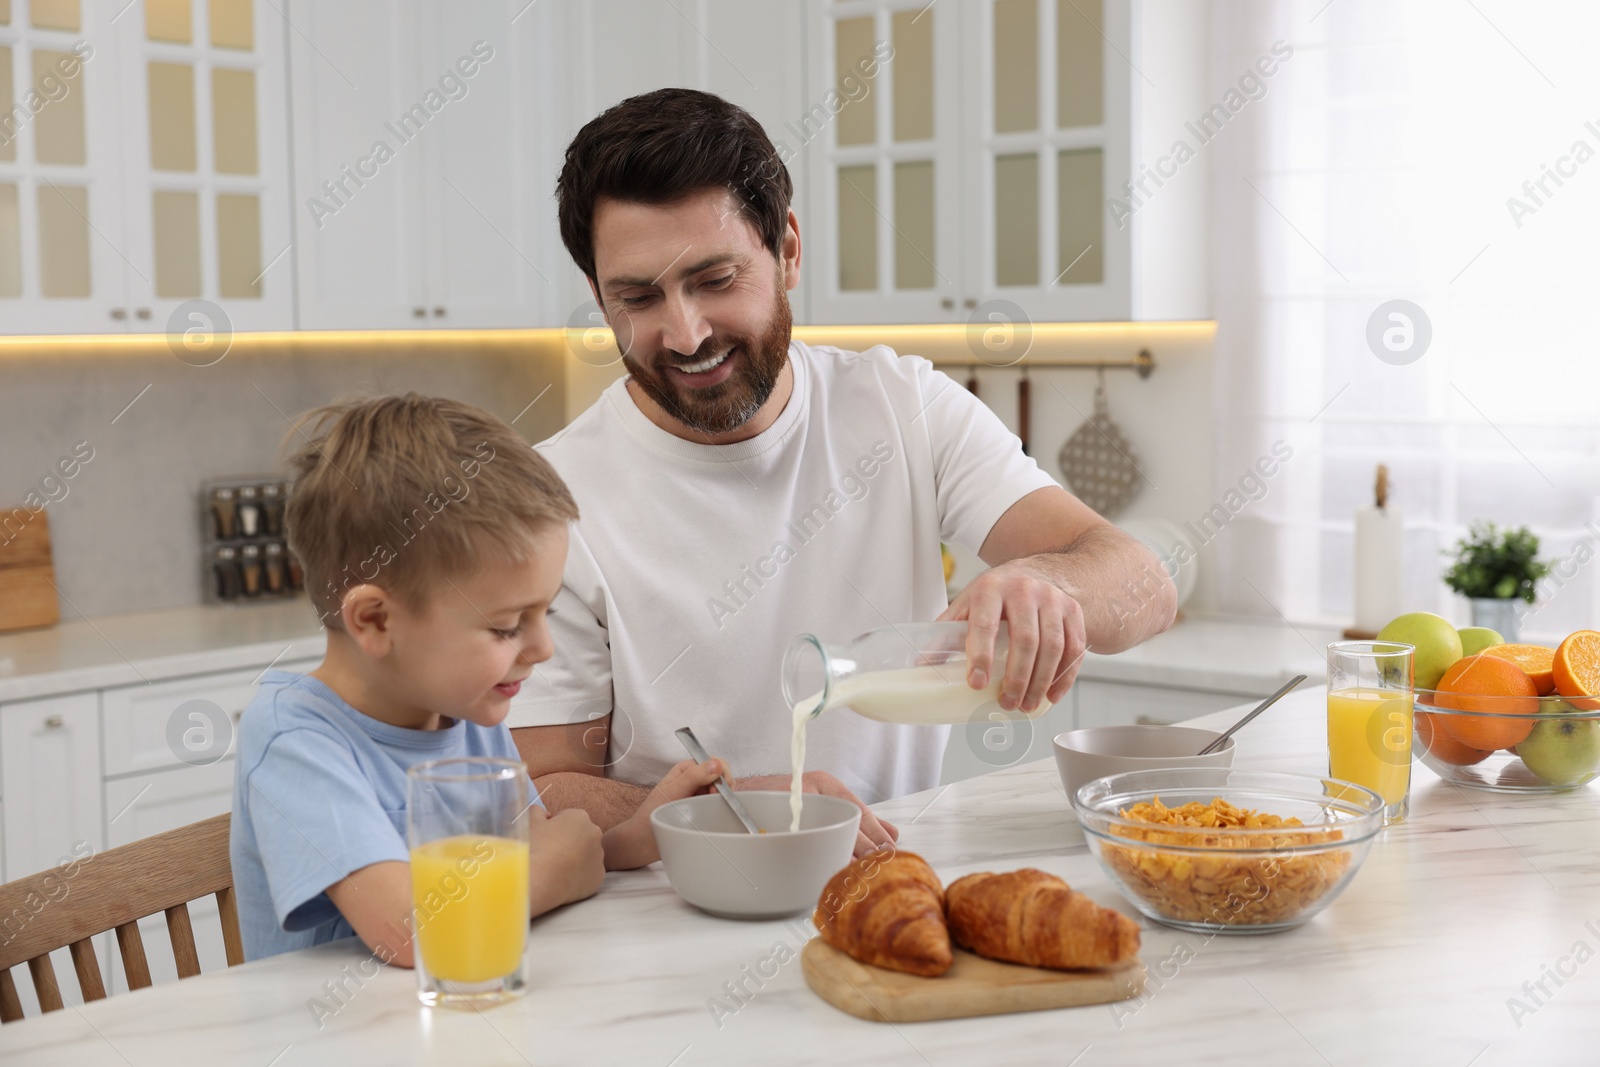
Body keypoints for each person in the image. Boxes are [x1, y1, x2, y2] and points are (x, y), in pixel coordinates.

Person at [510, 89, 1177, 856]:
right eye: (638, 296)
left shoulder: (902, 406)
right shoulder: (550, 502)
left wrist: (1050, 588)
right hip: (666, 920)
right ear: (598, 298)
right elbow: (547, 787)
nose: (686, 332)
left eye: (715, 279)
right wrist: (739, 809)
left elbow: (1145, 587)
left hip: (898, 889)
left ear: (788, 249)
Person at [230, 394, 726, 964]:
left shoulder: (467, 709)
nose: (542, 649)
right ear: (375, 620)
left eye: (545, 613)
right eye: (507, 627)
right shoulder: (294, 740)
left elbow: (539, 850)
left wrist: (637, 835)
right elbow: (409, 931)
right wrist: (556, 872)